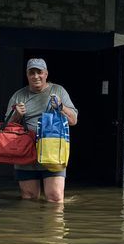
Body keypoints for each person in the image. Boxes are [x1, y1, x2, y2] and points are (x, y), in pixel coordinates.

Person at [6, 58, 78, 203]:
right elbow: (7, 128)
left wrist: (61, 107)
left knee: (55, 197)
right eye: (31, 73)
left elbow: (73, 120)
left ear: (46, 74)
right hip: (26, 152)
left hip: (53, 152)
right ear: (27, 75)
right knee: (29, 198)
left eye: (39, 72)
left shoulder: (58, 90)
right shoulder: (19, 95)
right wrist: (17, 115)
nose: (36, 76)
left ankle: (54, 220)